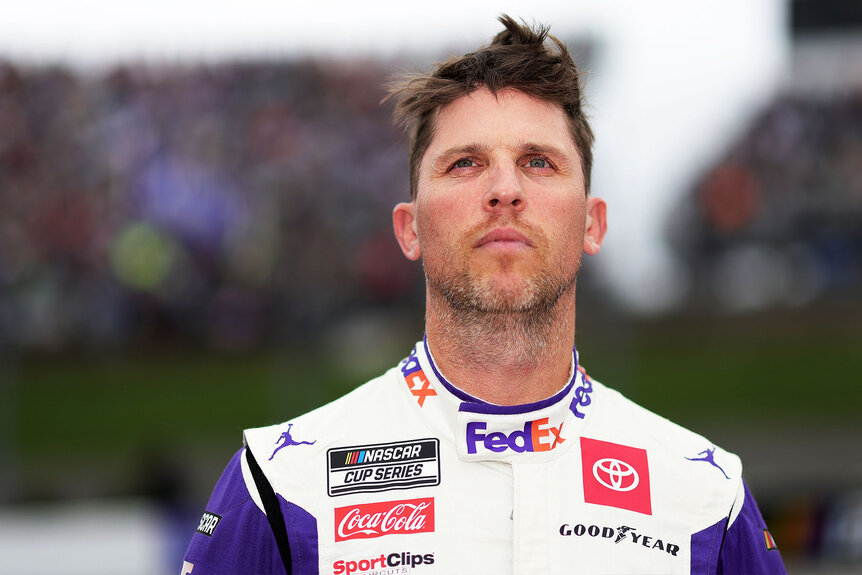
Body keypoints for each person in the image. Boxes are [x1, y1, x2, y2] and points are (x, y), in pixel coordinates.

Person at [182, 16, 787, 574]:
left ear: (593, 224)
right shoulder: (282, 484)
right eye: (466, 163)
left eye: (540, 162)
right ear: (409, 228)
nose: (505, 190)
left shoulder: (706, 498)